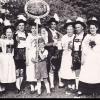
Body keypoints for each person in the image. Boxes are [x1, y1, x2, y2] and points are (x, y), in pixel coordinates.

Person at [78, 17, 100, 96]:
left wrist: (94, 47)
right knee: (86, 73)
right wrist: (83, 58)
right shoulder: (87, 36)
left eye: (93, 28)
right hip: (88, 57)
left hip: (96, 58)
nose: (92, 29)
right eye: (91, 28)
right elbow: (83, 47)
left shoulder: (99, 37)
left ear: (96, 28)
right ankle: (85, 90)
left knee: (95, 73)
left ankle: (96, 90)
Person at [45, 16, 63, 92]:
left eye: (54, 24)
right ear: (49, 25)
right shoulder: (46, 32)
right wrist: (53, 44)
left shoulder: (56, 32)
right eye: (52, 24)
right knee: (51, 68)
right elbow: (45, 44)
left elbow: (62, 36)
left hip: (57, 52)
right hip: (50, 52)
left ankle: (60, 82)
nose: (53, 25)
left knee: (58, 67)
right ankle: (52, 84)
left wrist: (59, 39)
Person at [58, 19, 76, 95]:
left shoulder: (75, 36)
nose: (69, 31)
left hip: (74, 55)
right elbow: (60, 47)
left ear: (73, 30)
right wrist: (58, 42)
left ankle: (73, 83)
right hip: (66, 55)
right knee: (66, 69)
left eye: (71, 29)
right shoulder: (64, 37)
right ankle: (68, 84)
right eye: (68, 29)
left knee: (73, 70)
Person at [72, 17, 86, 90]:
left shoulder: (86, 35)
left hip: (83, 55)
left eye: (78, 27)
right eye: (76, 27)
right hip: (75, 55)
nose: (77, 29)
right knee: (77, 71)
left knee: (84, 71)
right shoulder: (74, 36)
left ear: (82, 27)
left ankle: (84, 88)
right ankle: (77, 88)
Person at [0, 25, 16, 93]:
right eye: (7, 32)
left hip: (10, 57)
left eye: (10, 32)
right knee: (3, 71)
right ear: (5, 33)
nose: (9, 34)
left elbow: (12, 51)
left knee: (10, 71)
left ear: (12, 33)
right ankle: (2, 87)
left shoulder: (12, 40)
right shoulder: (2, 40)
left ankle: (9, 85)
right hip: (3, 57)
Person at [14, 14, 27, 93]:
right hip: (17, 53)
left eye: (22, 25)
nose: (21, 26)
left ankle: (20, 85)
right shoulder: (14, 34)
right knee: (17, 70)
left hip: (24, 53)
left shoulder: (27, 34)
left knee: (22, 70)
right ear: (18, 26)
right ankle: (17, 86)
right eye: (20, 25)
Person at [26, 20, 37, 94]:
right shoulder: (28, 37)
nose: (34, 30)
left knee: (36, 70)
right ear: (31, 29)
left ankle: (37, 84)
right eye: (32, 28)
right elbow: (27, 48)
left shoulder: (39, 36)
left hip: (37, 55)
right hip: (30, 55)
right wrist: (27, 59)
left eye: (35, 28)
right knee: (30, 70)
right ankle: (32, 86)